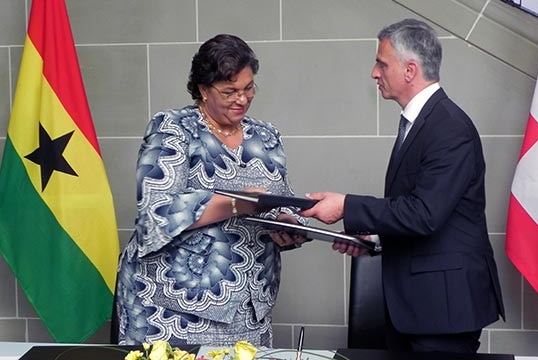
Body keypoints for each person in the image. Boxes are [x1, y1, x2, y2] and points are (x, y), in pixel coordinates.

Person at [301, 19, 505, 353]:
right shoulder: (425, 122)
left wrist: (346, 207)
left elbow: (425, 213)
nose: (374, 73)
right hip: (416, 308)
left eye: (382, 63)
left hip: (442, 313)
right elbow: (424, 210)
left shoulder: (448, 128)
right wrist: (376, 237)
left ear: (410, 70)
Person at [115, 34, 307, 347]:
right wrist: (236, 203)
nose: (242, 99)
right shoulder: (172, 129)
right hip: (176, 308)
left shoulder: (267, 136)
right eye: (229, 91)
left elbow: (277, 200)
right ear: (204, 90)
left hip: (249, 306)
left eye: (248, 88)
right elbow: (156, 213)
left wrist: (287, 224)